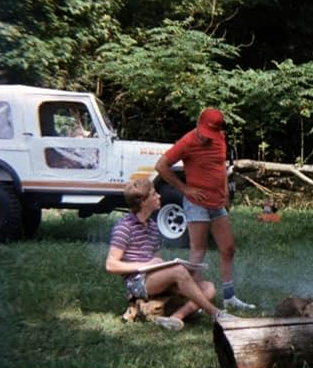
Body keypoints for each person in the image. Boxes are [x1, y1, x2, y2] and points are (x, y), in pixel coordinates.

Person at [155, 108, 256, 311]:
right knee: (198, 252)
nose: (207, 136)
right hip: (197, 204)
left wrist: (226, 192)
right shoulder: (188, 141)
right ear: (198, 124)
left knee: (228, 249)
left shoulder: (220, 137)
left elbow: (220, 167)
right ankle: (197, 300)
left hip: (218, 203)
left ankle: (229, 297)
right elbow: (161, 166)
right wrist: (185, 189)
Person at [105, 178, 236, 331]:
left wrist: (164, 264)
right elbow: (111, 265)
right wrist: (146, 265)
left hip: (154, 277)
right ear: (142, 201)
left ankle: (175, 318)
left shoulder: (153, 226)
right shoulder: (124, 227)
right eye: (154, 194)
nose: (159, 196)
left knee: (209, 287)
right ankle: (216, 314)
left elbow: (157, 258)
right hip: (136, 283)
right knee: (178, 270)